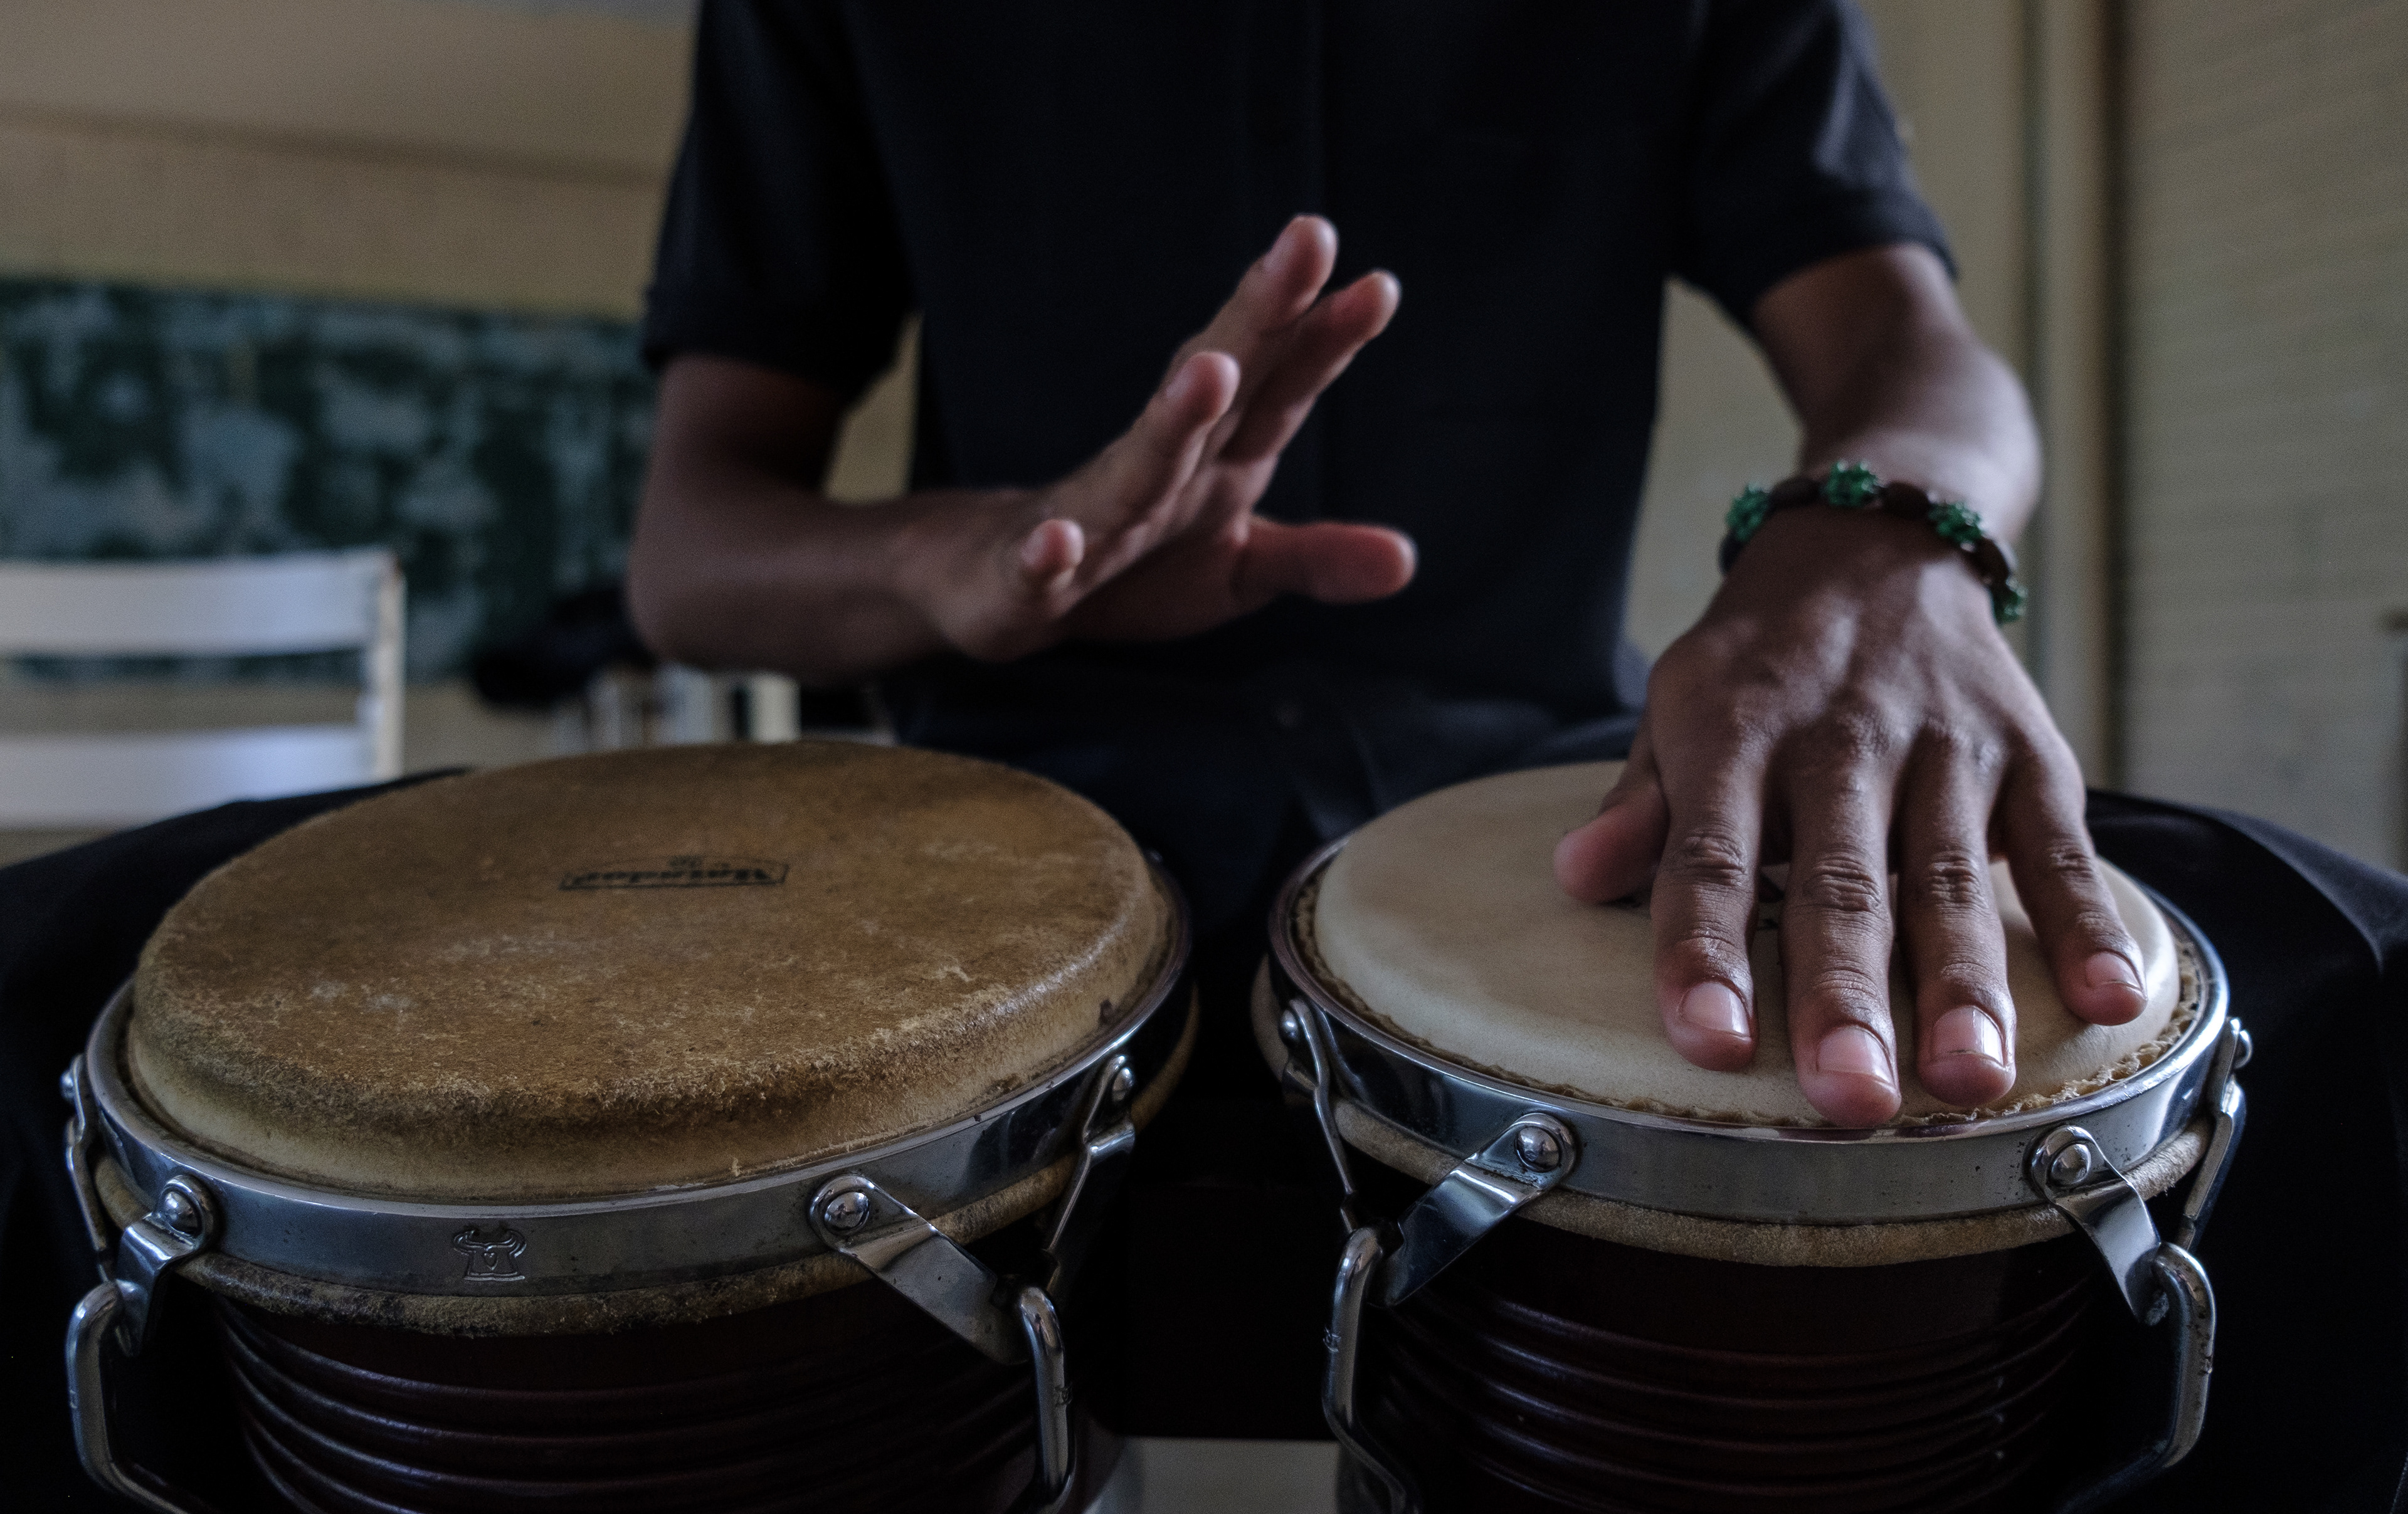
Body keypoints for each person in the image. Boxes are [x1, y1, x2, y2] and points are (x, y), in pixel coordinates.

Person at [628, 0, 2150, 1129]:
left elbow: (1908, 349)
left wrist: (1881, 547)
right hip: (1016, 814)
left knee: (2336, 967)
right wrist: (952, 560)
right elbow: (689, 547)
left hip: (1560, 801)